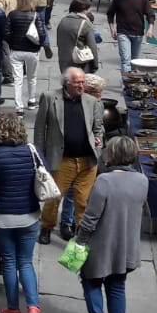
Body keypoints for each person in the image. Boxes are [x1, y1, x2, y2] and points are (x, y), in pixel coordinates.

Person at [76, 136, 149, 313]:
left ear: (113, 155)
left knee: (91, 281)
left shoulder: (104, 181)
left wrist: (80, 242)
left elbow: (91, 219)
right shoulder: (143, 181)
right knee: (117, 286)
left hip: (100, 247)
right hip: (125, 247)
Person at [0, 112, 45, 313]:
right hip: (29, 215)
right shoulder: (32, 151)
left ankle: (13, 310)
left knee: (9, 262)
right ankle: (34, 309)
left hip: (3, 217)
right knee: (26, 262)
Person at [34, 67, 105, 244]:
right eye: (77, 82)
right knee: (54, 197)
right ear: (67, 83)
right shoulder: (50, 98)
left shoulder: (92, 102)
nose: (82, 86)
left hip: (87, 161)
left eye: (83, 82)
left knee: (83, 201)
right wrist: (40, 157)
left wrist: (98, 140)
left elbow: (98, 128)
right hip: (62, 160)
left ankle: (82, 235)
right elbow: (40, 129)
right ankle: (46, 227)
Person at [5, 0, 44, 116]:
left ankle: (19, 108)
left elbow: (5, 33)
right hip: (32, 51)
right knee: (32, 77)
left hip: (16, 50)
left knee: (18, 80)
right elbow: (42, 33)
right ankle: (32, 101)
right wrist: (40, 44)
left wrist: (12, 42)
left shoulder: (12, 14)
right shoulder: (35, 15)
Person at [105, 0, 154, 71]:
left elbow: (150, 13)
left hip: (138, 32)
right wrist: (112, 28)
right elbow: (110, 13)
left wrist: (150, 28)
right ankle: (126, 85)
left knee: (134, 61)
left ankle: (133, 83)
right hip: (123, 32)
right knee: (126, 60)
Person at [56, 0, 101, 74]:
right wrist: (95, 65)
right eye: (88, 10)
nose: (89, 12)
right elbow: (92, 47)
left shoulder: (63, 21)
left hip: (64, 62)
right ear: (83, 10)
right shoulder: (86, 24)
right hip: (80, 64)